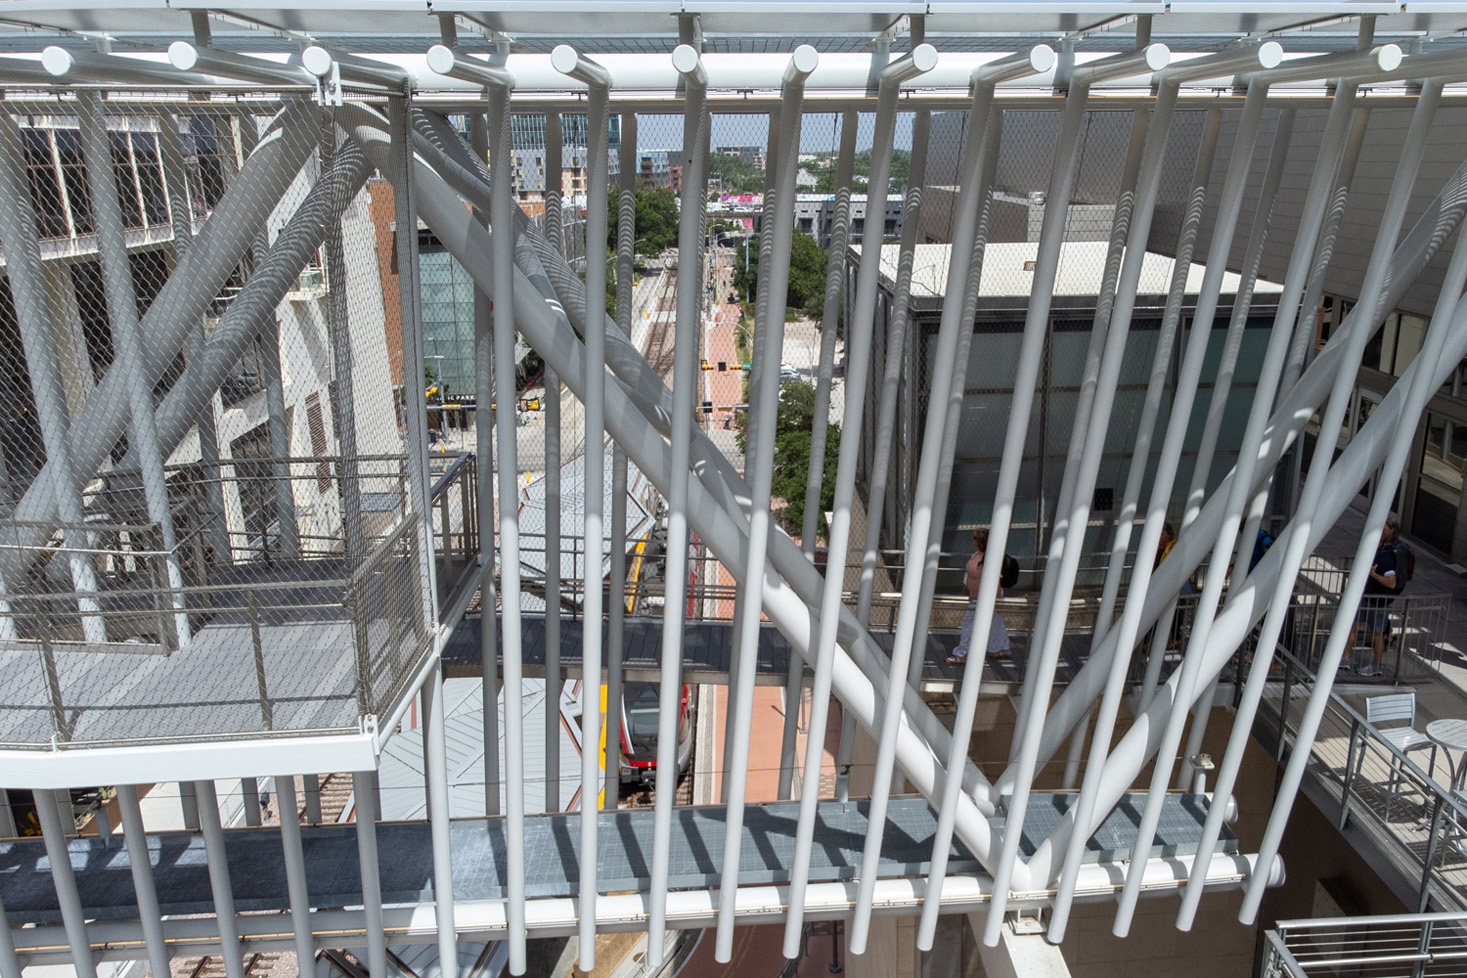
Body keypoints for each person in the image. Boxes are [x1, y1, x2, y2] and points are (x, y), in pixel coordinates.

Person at [946, 527, 1011, 666]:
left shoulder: (990, 558)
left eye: (974, 538)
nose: (972, 540)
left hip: (983, 597)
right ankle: (1001, 648)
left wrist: (997, 599)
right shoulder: (978, 555)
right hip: (975, 595)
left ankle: (963, 653)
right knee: (994, 621)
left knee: (968, 623)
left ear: (980, 541)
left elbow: (997, 579)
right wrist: (967, 587)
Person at [1355, 518, 1402, 677]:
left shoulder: (1388, 555)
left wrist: (1374, 575)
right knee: (1352, 625)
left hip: (1379, 600)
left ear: (1392, 530)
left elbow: (1391, 582)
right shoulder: (1381, 547)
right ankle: (1345, 659)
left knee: (1378, 633)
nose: (1381, 533)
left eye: (1384, 529)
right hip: (1368, 596)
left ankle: (1377, 665)